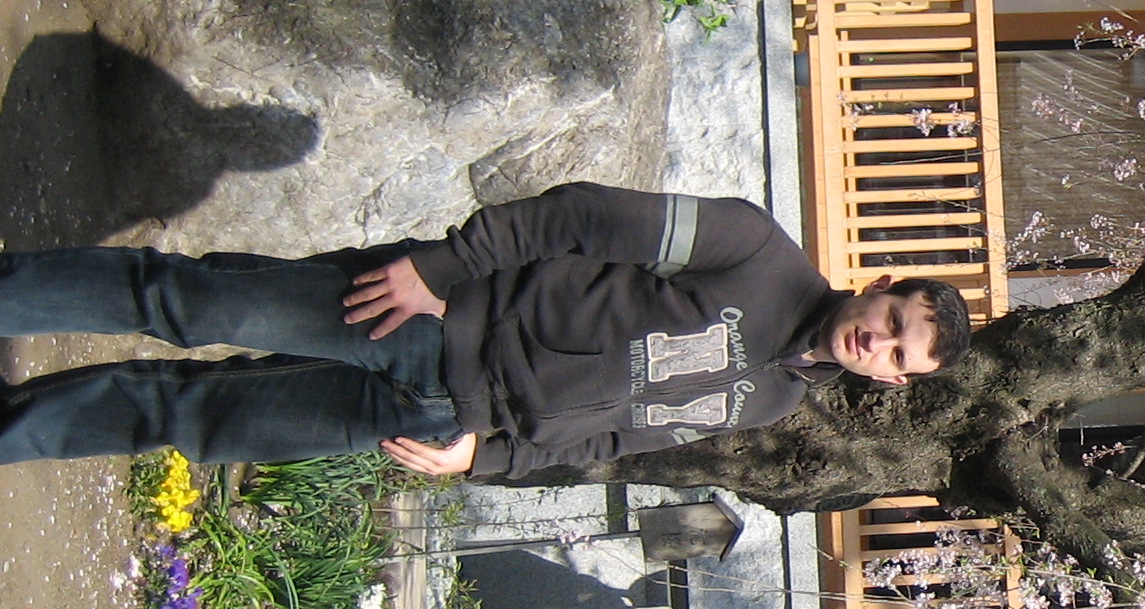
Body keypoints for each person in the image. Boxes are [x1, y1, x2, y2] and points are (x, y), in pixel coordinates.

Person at [0, 182, 972, 479]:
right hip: (428, 317)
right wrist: (439, 269)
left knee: (195, 419)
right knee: (194, 305)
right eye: (890, 322)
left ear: (892, 382)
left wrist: (481, 461)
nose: (877, 343)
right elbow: (580, 217)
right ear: (878, 287)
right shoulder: (755, 248)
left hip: (432, 414)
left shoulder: (769, 399)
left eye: (897, 355)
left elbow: (611, 442)